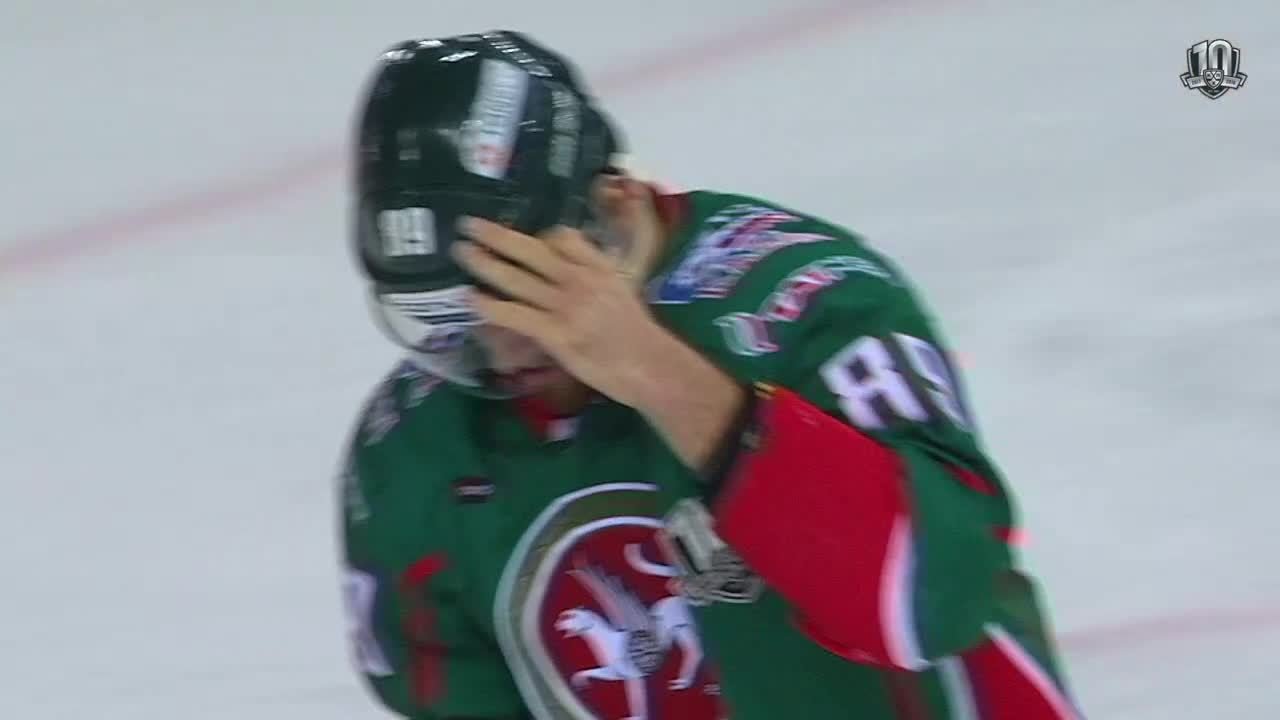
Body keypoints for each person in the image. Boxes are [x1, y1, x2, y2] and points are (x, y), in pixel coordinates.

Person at [338, 30, 1084, 720]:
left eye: (521, 285)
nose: (500, 346)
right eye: (445, 317)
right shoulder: (409, 456)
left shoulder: (808, 305)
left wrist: (661, 375)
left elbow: (932, 600)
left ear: (613, 202)